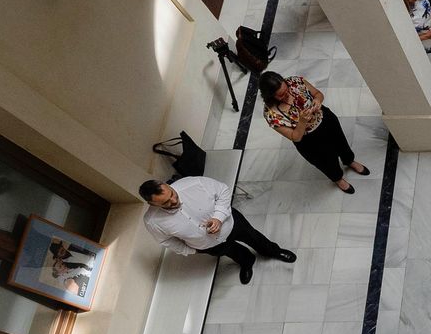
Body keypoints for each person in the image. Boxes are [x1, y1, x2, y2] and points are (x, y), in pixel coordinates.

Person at [139, 177, 294, 286]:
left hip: (231, 224)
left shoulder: (194, 183)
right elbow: (165, 241)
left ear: (168, 186)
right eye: (166, 202)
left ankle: (273, 251)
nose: (173, 201)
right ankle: (247, 262)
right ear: (151, 204)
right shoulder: (152, 221)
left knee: (253, 236)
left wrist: (218, 218)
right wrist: (190, 250)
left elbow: (223, 191)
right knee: (232, 252)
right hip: (207, 245)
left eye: (172, 194)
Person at [258, 71, 368, 195]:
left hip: (325, 120)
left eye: (286, 89)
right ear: (270, 96)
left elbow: (317, 94)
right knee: (326, 161)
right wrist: (302, 121)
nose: (287, 94)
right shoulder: (271, 115)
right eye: (281, 95)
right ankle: (337, 178)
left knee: (341, 142)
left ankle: (349, 160)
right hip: (308, 140)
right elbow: (295, 137)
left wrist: (317, 101)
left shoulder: (295, 82)